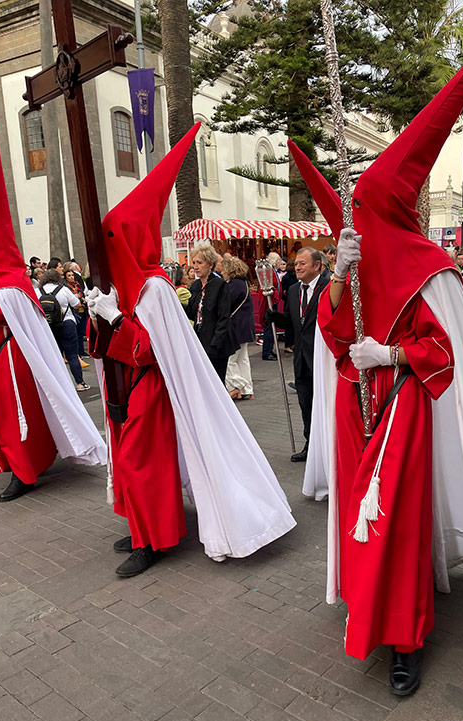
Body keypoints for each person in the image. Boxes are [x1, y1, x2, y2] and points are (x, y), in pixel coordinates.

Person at [290, 18, 463, 692]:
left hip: (405, 411)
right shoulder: (352, 263)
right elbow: (331, 335)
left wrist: (385, 352)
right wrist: (335, 277)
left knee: (395, 522)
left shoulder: (425, 264)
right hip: (356, 413)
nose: (354, 211)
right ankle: (371, 606)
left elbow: (440, 352)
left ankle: (406, 637)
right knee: (362, 519)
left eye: (364, 203)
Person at [88, 123, 295, 576]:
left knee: (145, 464)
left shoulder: (154, 288)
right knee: (127, 462)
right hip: (123, 389)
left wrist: (116, 319)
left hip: (150, 388)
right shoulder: (125, 286)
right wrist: (97, 315)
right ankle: (141, 526)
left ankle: (154, 541)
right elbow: (105, 346)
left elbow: (149, 350)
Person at [0, 119, 105, 502]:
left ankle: (25, 471)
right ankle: (22, 463)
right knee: (9, 416)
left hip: (9, 361)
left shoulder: (10, 285)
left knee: (17, 417)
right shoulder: (0, 282)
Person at [267, 247, 330, 462]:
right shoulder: (293, 290)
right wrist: (278, 319)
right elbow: (295, 324)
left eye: (303, 263)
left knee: (326, 405)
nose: (298, 266)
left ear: (317, 265)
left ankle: (329, 446)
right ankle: (310, 444)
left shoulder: (329, 287)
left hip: (323, 358)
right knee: (305, 403)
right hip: (301, 359)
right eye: (297, 263)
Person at [186, 244, 237, 382]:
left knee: (217, 382)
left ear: (210, 264)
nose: (196, 266)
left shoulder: (220, 285)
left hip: (217, 344)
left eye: (200, 263)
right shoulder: (195, 286)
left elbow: (223, 317)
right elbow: (191, 313)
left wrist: (215, 344)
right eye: (194, 263)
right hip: (201, 341)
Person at [39, 269, 89, 391]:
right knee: (72, 355)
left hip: (48, 326)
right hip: (67, 324)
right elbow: (77, 304)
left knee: (54, 357)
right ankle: (80, 383)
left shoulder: (38, 291)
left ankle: (60, 387)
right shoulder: (63, 290)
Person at [222, 257, 255, 400]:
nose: (222, 272)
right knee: (242, 359)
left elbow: (226, 304)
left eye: (224, 269)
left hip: (236, 327)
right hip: (244, 326)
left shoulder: (234, 285)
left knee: (229, 359)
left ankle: (239, 385)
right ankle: (248, 389)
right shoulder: (243, 283)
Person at [64, 266, 89, 361]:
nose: (71, 277)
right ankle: (78, 352)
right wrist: (76, 296)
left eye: (72, 275)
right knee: (76, 332)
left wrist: (82, 298)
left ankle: (82, 351)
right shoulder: (66, 287)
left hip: (82, 310)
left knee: (81, 332)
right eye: (69, 276)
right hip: (75, 311)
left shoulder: (77, 285)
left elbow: (81, 293)